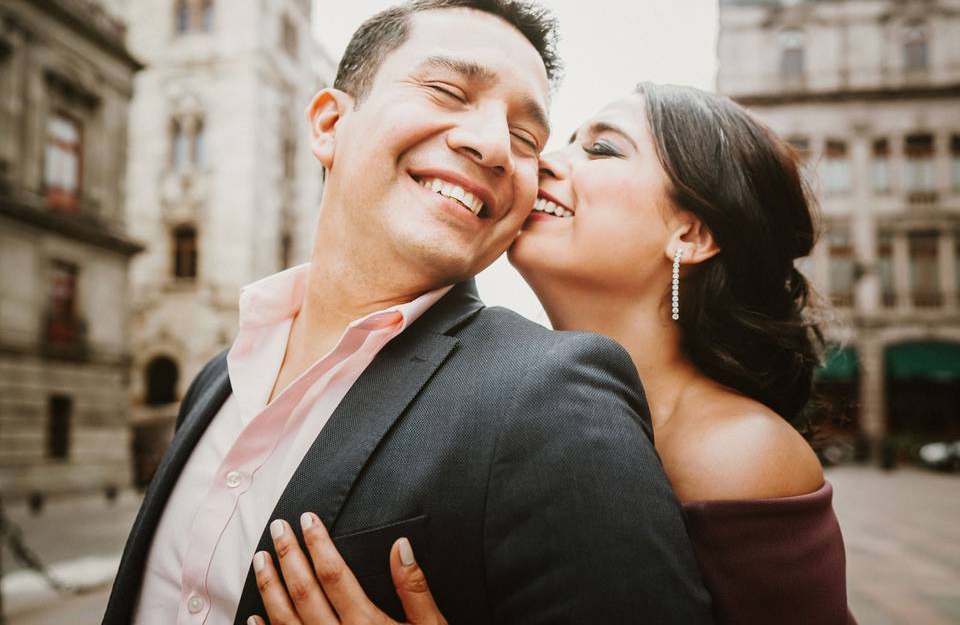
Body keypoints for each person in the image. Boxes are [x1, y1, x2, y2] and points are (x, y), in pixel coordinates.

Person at [102, 0, 713, 624]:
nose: (495, 146)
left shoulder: (556, 394)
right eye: (449, 93)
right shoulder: (216, 381)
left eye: (526, 136)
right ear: (330, 125)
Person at [246, 83, 858, 624]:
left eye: (601, 148)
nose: (543, 163)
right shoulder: (498, 399)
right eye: (558, 141)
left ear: (691, 234)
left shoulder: (737, 454)